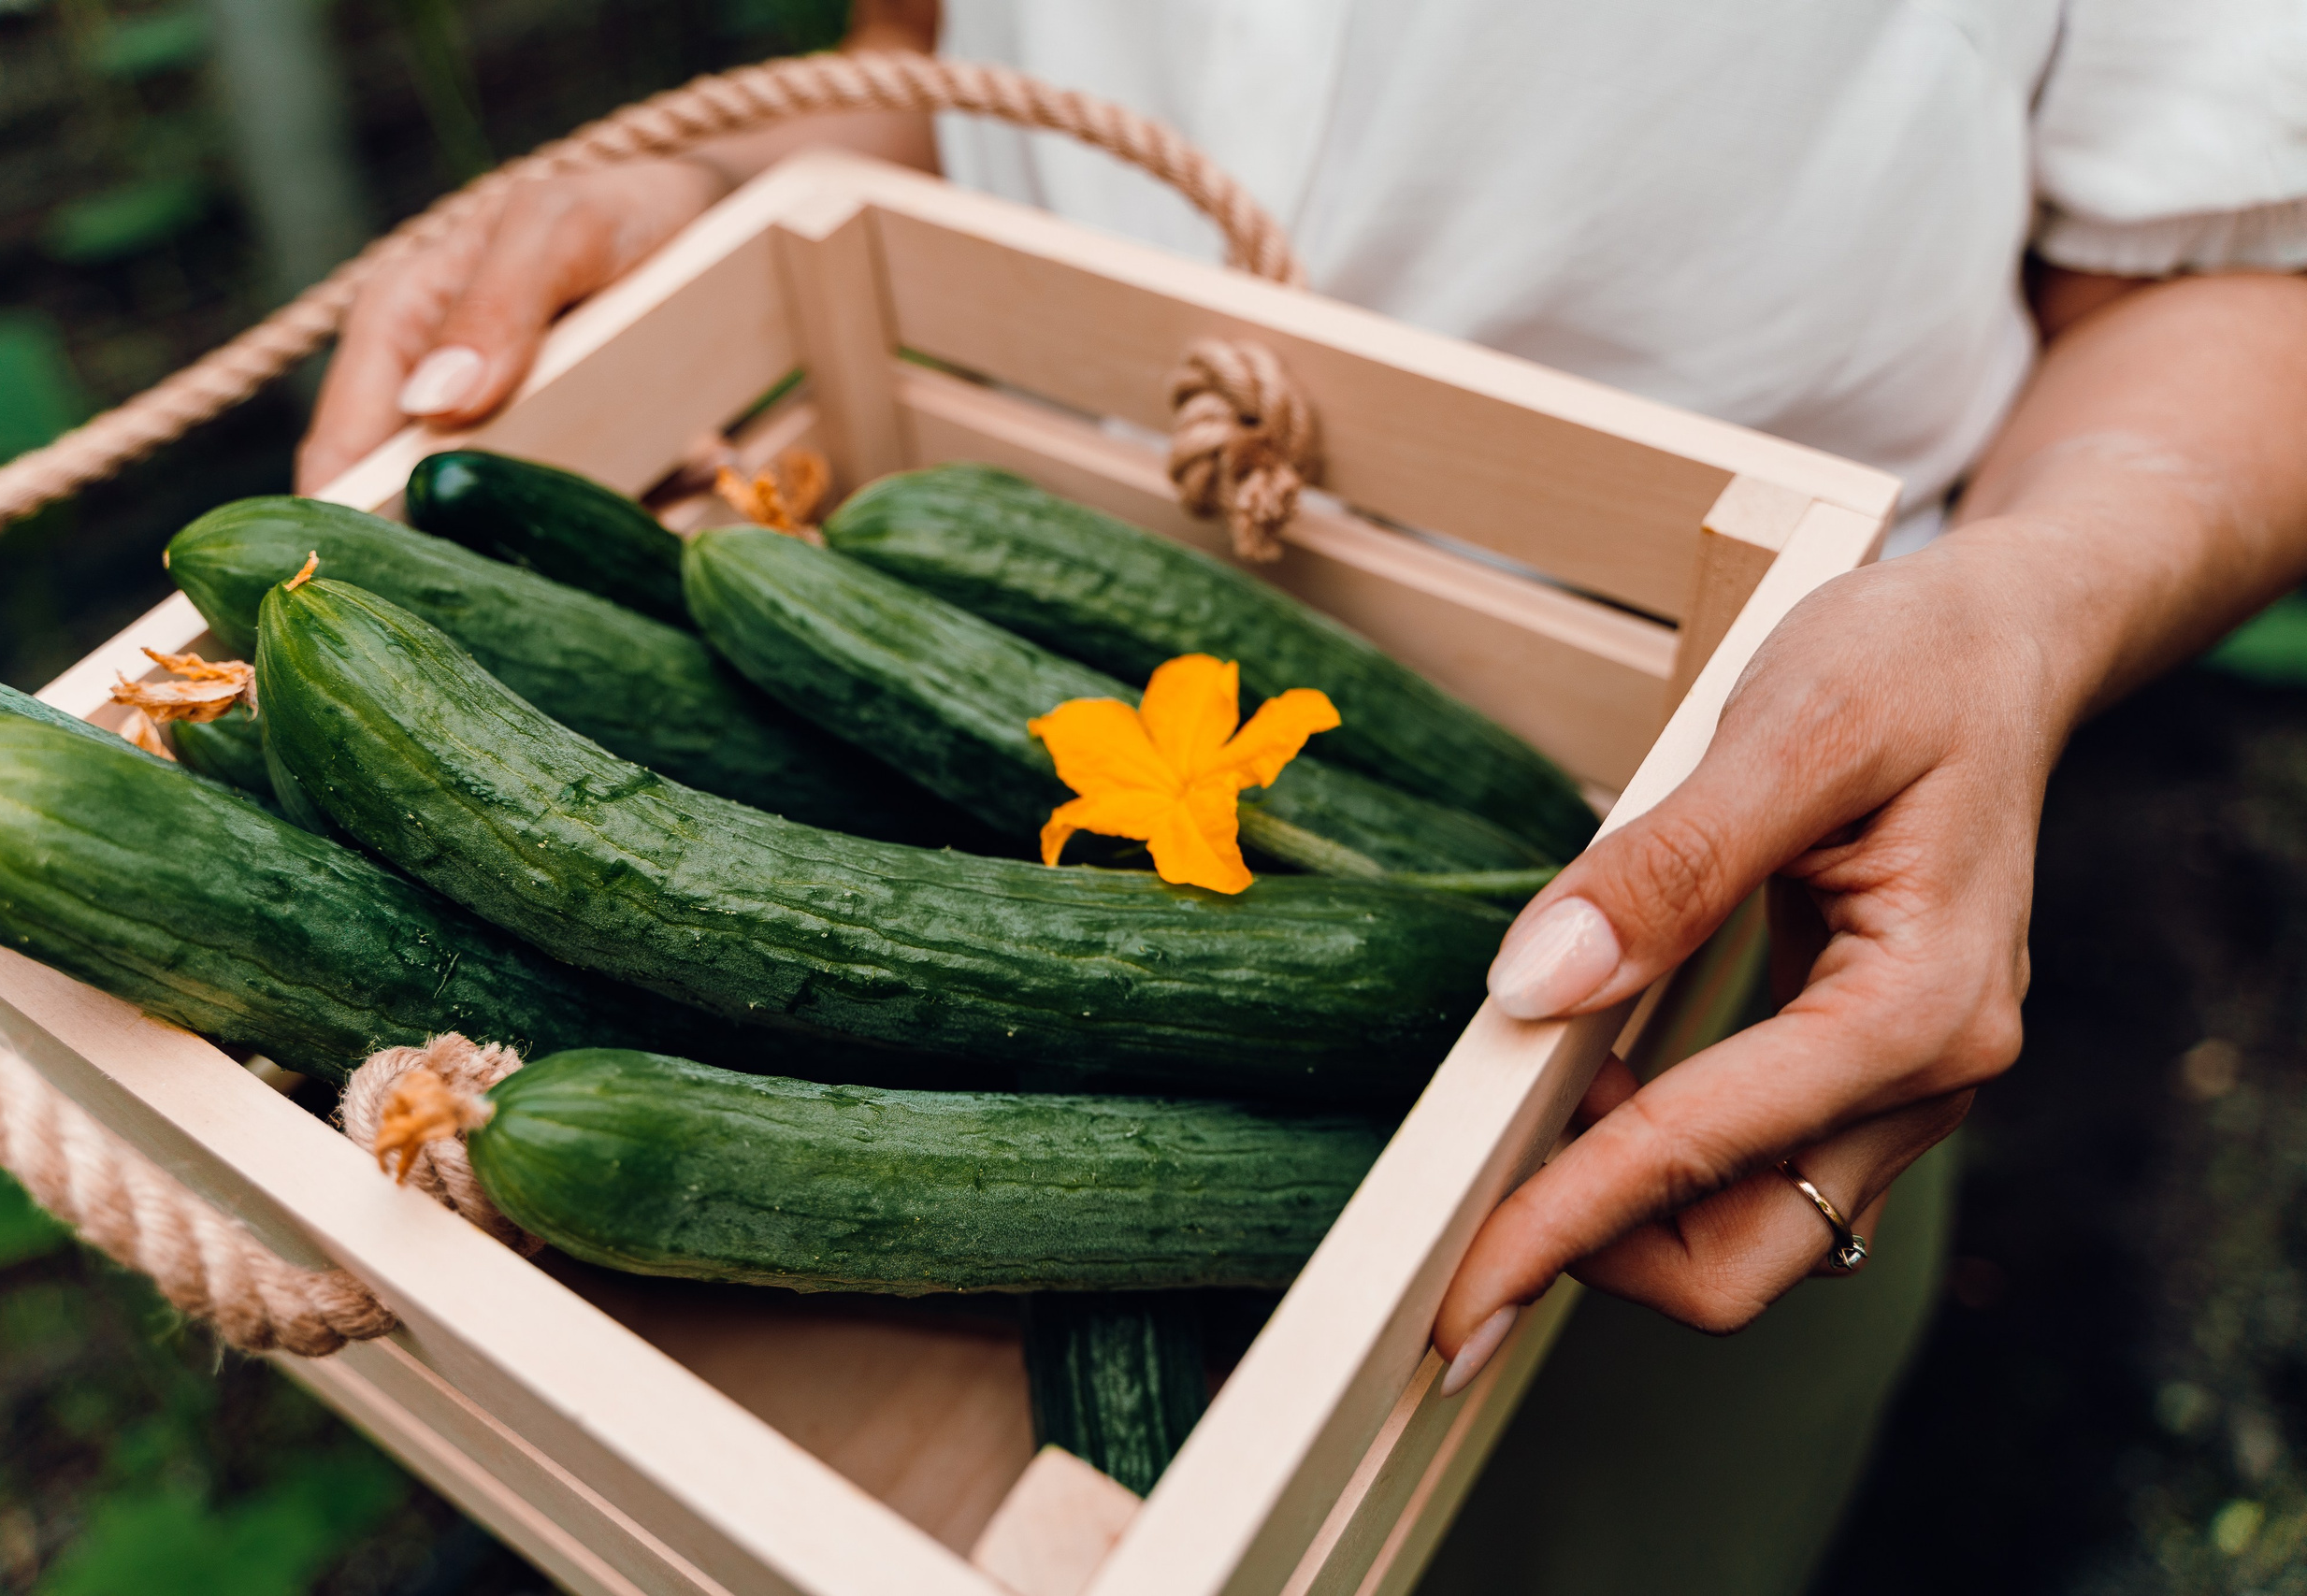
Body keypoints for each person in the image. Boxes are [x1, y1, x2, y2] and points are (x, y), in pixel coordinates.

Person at [295, 2, 2307, 1588]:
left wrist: (2024, 606)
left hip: (1734, 864)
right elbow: (928, 54)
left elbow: (2237, 268)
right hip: (1027, 628)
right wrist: (746, 172)